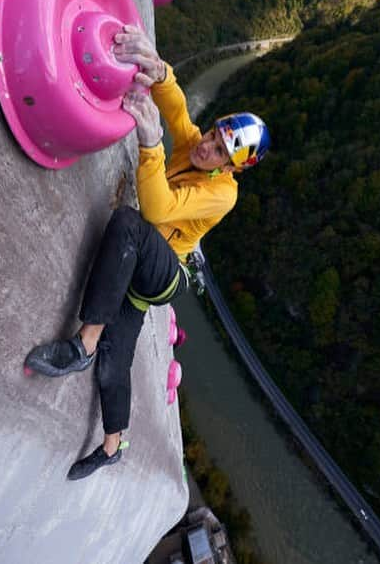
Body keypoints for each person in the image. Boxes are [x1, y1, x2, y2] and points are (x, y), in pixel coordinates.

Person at [24, 25, 270, 480]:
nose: (206, 147)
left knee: (128, 223)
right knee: (116, 364)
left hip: (163, 275)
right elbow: (177, 109)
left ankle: (82, 343)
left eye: (219, 151)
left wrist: (151, 145)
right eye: (214, 135)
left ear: (230, 170)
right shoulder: (197, 146)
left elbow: (157, 211)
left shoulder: (223, 195)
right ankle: (113, 446)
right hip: (141, 275)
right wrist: (158, 70)